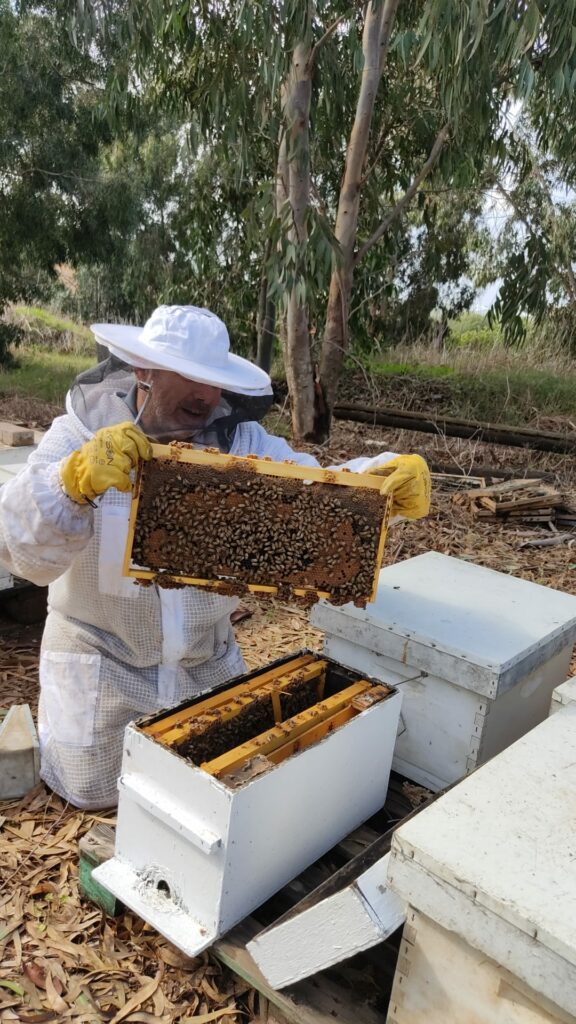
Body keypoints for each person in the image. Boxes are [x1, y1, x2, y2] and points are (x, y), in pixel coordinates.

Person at [0, 305, 430, 808]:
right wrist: (70, 484)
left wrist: (380, 480)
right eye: (189, 377)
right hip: (104, 670)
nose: (206, 394)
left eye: (213, 379)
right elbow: (16, 548)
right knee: (96, 796)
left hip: (205, 670)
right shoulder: (80, 437)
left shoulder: (243, 444)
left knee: (210, 792)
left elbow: (315, 490)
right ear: (144, 370)